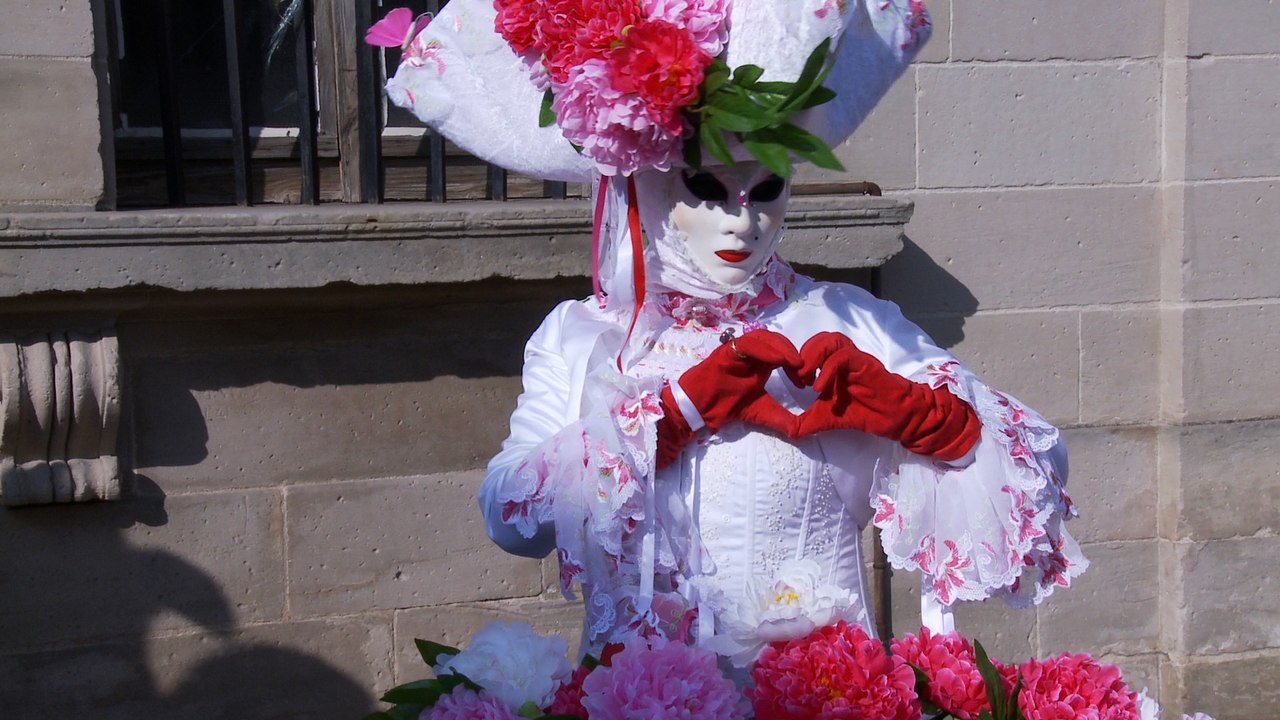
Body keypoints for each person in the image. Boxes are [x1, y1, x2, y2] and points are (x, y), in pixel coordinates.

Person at [384, 0, 1086, 667]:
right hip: (646, 695)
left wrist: (923, 416)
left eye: (767, 189)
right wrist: (667, 417)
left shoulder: (845, 320)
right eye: (708, 190)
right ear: (651, 188)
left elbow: (1035, 473)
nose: (742, 223)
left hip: (825, 693)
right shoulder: (583, 339)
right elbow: (513, 522)